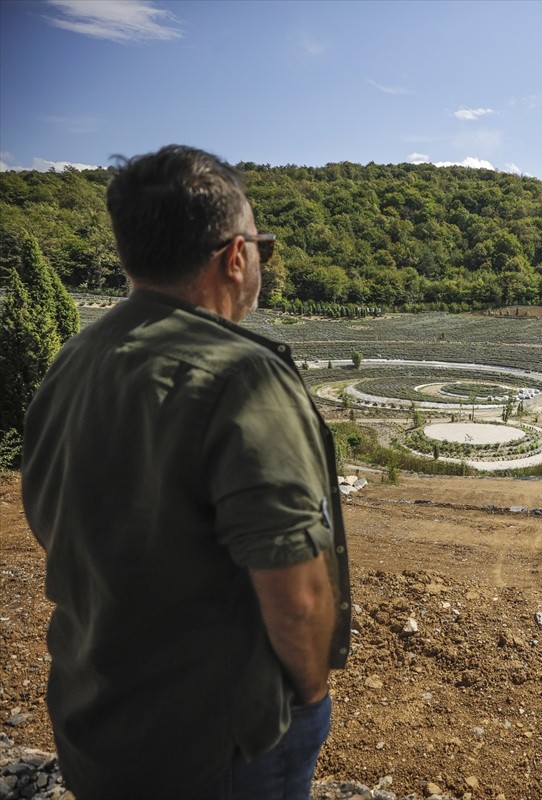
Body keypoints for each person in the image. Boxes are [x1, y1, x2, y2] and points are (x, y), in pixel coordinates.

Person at [21, 145, 351, 800]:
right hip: (219, 752)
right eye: (264, 244)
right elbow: (297, 597)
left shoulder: (73, 362)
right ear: (235, 257)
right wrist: (310, 698)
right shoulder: (243, 375)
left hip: (101, 725)